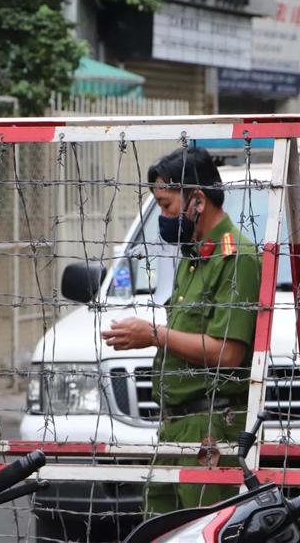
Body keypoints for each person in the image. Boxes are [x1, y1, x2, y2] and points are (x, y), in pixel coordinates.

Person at [101, 147, 260, 516]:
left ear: (198, 201)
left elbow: (229, 353)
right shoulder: (193, 258)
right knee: (158, 528)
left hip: (210, 431)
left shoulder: (237, 259)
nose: (163, 215)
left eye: (167, 205)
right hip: (174, 427)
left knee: (202, 529)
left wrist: (153, 334)